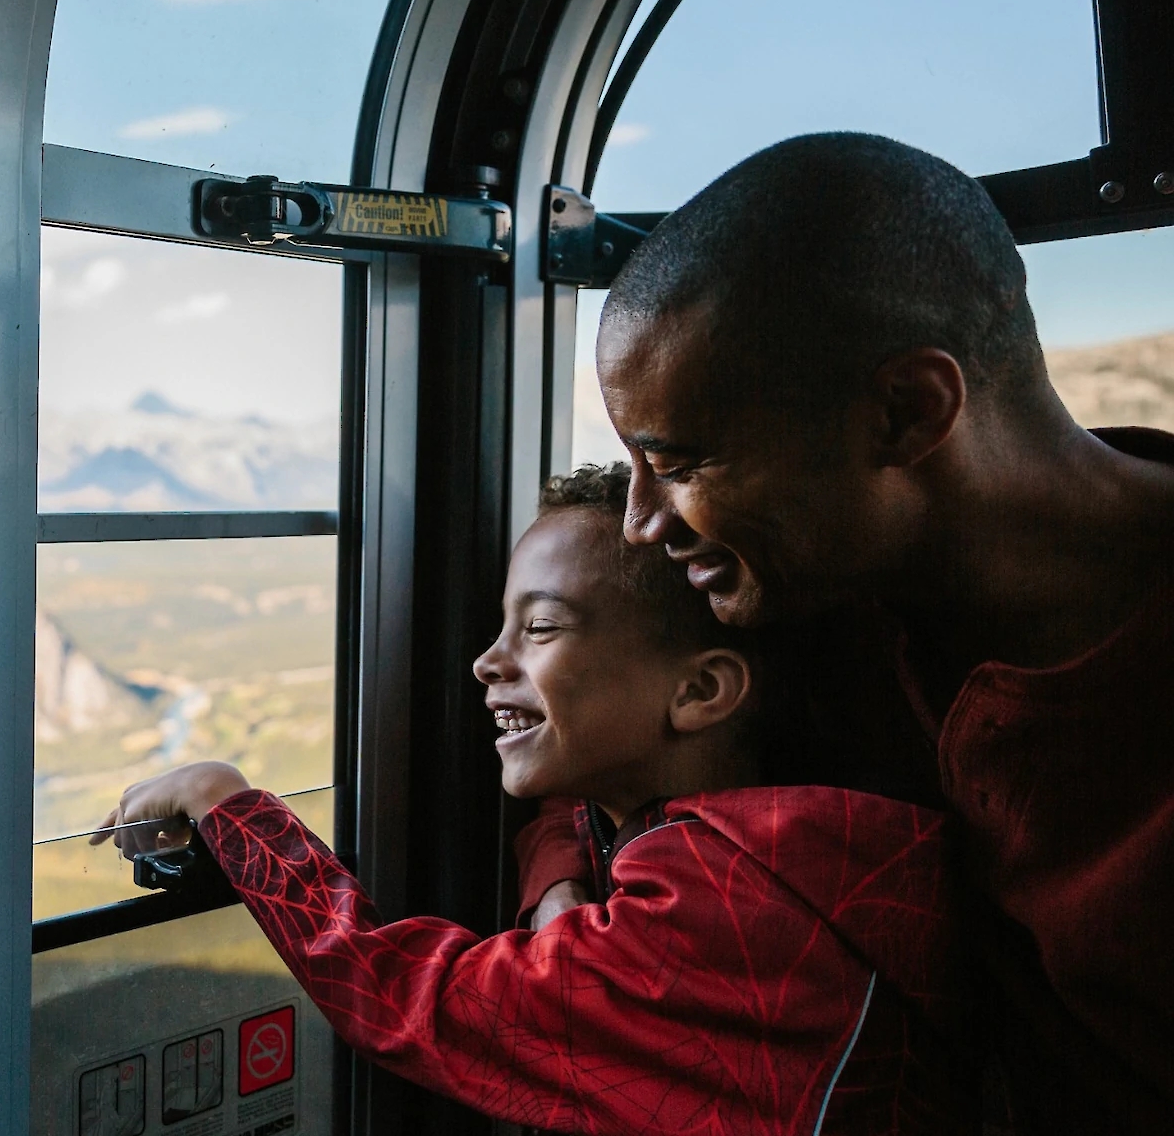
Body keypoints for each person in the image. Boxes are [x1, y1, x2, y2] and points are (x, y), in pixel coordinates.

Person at [527, 132, 1174, 1129]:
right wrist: (558, 890)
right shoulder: (805, 599)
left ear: (905, 413)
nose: (643, 526)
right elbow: (593, 722)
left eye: (685, 464)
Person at [101, 466, 974, 1135]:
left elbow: (407, 996)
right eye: (501, 625)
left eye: (542, 627)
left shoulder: (714, 911)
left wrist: (230, 806)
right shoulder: (786, 839)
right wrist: (559, 880)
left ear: (702, 690)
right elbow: (576, 811)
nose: (487, 661)